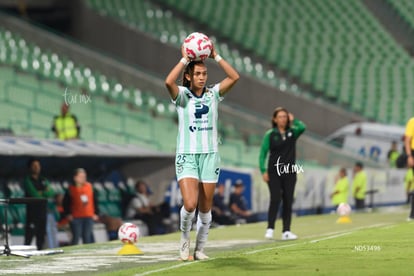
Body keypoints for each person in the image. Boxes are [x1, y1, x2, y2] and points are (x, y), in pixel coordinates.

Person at [165, 41, 239, 260]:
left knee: (205, 209)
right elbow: (168, 81)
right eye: (197, 74)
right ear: (189, 76)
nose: (202, 77)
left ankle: (199, 250)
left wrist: (216, 55)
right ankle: (184, 241)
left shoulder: (213, 94)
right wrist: (184, 59)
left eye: (204, 74)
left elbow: (234, 77)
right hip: (187, 155)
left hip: (210, 156)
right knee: (190, 204)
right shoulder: (182, 97)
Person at [259, 107, 306, 240]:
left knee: (288, 200)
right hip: (274, 171)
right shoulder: (270, 134)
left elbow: (302, 127)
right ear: (274, 119)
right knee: (275, 198)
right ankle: (270, 228)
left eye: (285, 116)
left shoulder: (293, 132)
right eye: (280, 116)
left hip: (290, 172)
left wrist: (294, 119)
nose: (283, 119)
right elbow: (262, 154)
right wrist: (263, 170)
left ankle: (286, 231)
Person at [23, 158, 57, 249]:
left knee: (41, 236)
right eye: (34, 166)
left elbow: (51, 193)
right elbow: (34, 194)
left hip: (42, 212)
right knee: (29, 237)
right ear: (30, 167)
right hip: (32, 213)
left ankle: (40, 252)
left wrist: (42, 193)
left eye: (38, 166)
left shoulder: (43, 179)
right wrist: (43, 193)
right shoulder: (28, 180)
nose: (37, 168)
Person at [63, 168, 99, 245]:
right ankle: (72, 254)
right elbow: (65, 203)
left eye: (84, 176)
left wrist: (96, 213)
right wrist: (68, 214)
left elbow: (95, 200)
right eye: (81, 177)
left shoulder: (90, 187)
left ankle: (87, 254)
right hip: (76, 217)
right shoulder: (70, 189)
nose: (83, 178)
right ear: (75, 178)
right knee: (76, 237)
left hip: (88, 216)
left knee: (87, 237)